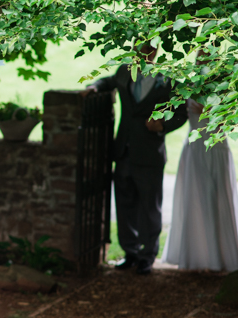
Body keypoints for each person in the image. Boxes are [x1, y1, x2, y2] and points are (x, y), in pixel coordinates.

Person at [85, 45, 187, 275]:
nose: (142, 53)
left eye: (147, 49)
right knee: (124, 202)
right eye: (138, 48)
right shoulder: (124, 71)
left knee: (149, 206)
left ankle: (147, 255)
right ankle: (130, 252)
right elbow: (107, 82)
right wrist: (93, 87)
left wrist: (162, 125)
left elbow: (181, 112)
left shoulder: (167, 78)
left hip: (150, 153)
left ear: (155, 52)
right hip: (123, 151)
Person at [161, 99, 238, 271]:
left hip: (217, 147)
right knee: (195, 199)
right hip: (194, 149)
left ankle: (219, 257)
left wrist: (212, 111)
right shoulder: (187, 80)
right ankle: (195, 255)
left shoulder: (225, 80)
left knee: (216, 199)